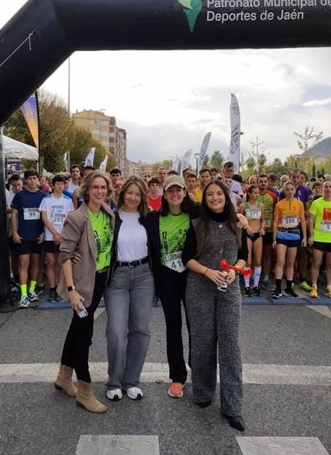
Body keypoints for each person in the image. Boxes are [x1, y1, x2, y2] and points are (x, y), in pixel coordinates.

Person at [182, 179, 249, 432]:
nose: (214, 198)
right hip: (200, 287)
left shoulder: (237, 223)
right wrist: (207, 271)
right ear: (205, 198)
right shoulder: (197, 223)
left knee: (231, 345)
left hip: (229, 290)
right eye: (209, 194)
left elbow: (244, 256)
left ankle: (233, 407)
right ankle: (202, 393)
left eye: (218, 194)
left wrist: (236, 270)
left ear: (226, 196)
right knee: (203, 341)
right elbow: (186, 258)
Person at [55, 170, 115, 413]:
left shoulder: (107, 213)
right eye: (95, 187)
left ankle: (62, 377)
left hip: (99, 280)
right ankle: (85, 390)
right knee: (84, 336)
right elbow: (66, 255)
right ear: (87, 190)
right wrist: (71, 290)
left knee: (76, 329)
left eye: (104, 188)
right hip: (81, 285)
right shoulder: (77, 217)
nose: (100, 191)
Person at [105, 176, 156, 402]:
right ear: (123, 193)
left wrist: (240, 216)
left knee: (140, 329)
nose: (133, 197)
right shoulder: (111, 217)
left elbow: (184, 212)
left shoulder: (150, 218)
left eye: (138, 194)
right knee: (116, 330)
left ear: (143, 197)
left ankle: (132, 381)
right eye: (130, 192)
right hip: (117, 277)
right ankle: (114, 381)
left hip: (144, 276)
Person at [147, 175, 198, 399]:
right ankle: (177, 377)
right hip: (167, 277)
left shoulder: (196, 214)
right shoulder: (153, 218)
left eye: (179, 190)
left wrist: (240, 218)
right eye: (170, 191)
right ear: (164, 194)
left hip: (193, 276)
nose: (175, 194)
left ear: (185, 192)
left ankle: (199, 369)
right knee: (173, 327)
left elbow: (222, 216)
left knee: (196, 326)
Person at [10, 170, 45, 308]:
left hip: (37, 235)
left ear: (38, 180)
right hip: (23, 235)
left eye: (34, 178)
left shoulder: (44, 196)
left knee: (36, 263)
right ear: (26, 181)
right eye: (29, 178)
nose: (31, 181)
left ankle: (32, 290)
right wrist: (14, 232)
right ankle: (23, 294)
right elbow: (14, 214)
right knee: (23, 263)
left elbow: (45, 217)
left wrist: (43, 232)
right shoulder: (20, 196)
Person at [40, 174, 74, 301]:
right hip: (50, 236)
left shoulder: (68, 200)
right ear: (52, 185)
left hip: (63, 237)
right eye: (57, 184)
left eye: (62, 183)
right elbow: (44, 217)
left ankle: (60, 289)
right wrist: (54, 233)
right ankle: (52, 289)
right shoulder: (46, 200)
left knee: (60, 263)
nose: (60, 186)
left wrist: (61, 235)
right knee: (50, 262)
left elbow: (69, 219)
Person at [272, 182, 307, 298]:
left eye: (292, 189)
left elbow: (302, 220)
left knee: (291, 263)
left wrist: (305, 237)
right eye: (287, 189)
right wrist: (274, 238)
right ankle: (278, 288)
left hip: (294, 234)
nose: (290, 191)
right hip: (282, 234)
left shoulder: (300, 204)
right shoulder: (279, 204)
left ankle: (288, 288)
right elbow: (275, 221)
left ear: (295, 191)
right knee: (280, 261)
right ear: (284, 190)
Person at [239, 184, 264, 296]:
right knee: (248, 261)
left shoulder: (261, 205)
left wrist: (263, 228)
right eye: (255, 192)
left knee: (258, 261)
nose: (257, 195)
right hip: (247, 234)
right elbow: (238, 218)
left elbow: (263, 219)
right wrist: (246, 226)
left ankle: (256, 285)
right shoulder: (244, 205)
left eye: (258, 193)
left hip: (258, 234)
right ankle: (247, 286)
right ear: (249, 193)